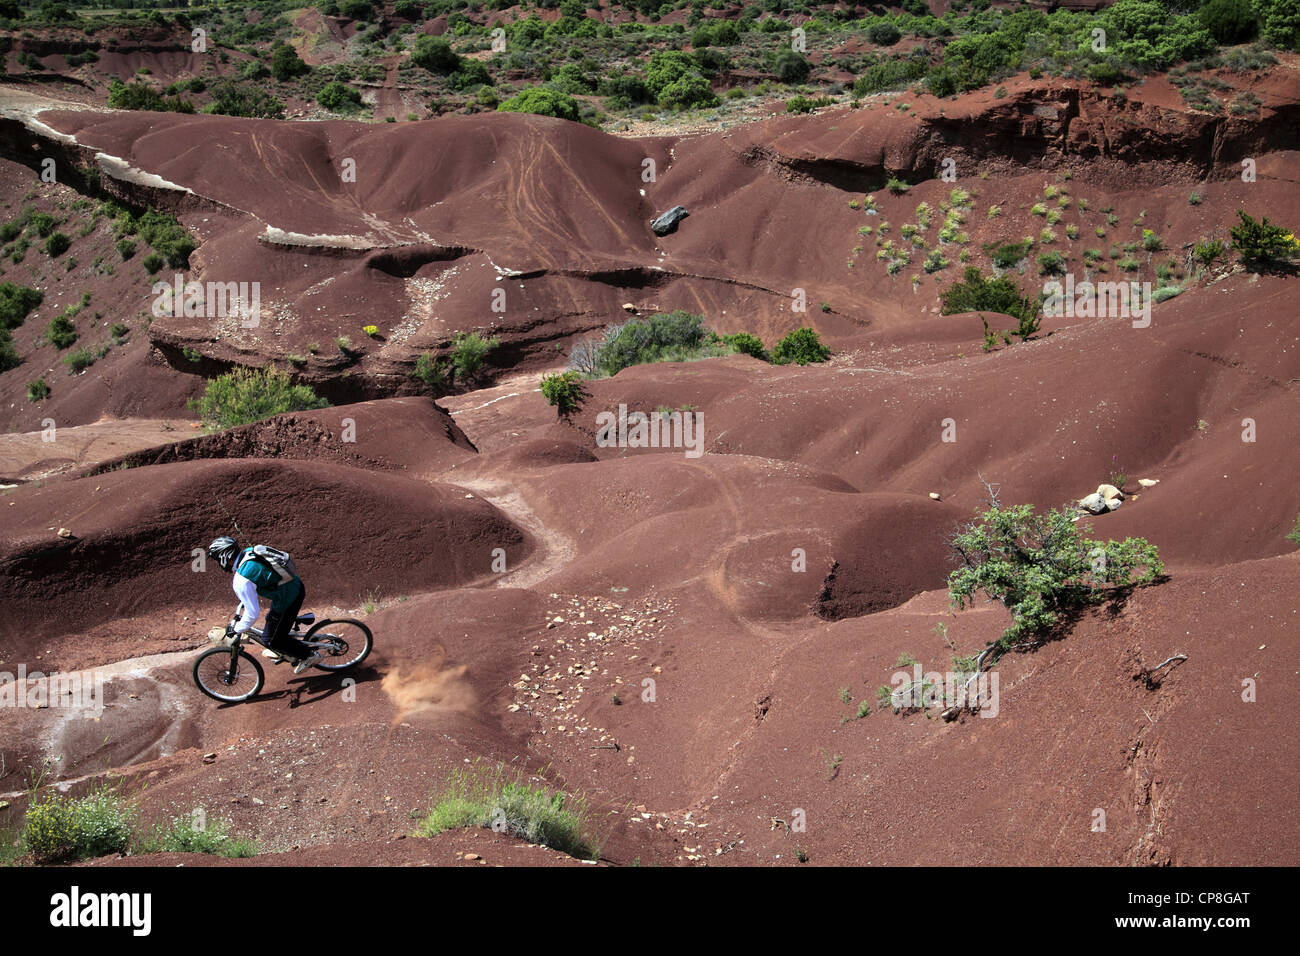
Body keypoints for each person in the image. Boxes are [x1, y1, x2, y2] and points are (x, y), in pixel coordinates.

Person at [207, 536, 321, 674]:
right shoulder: (249, 553)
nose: (219, 563)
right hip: (294, 586)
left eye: (218, 559)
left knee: (270, 639)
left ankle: (309, 656)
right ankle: (286, 645)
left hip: (288, 598)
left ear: (224, 556)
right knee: (271, 621)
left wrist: (237, 629)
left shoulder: (241, 580)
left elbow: (253, 614)